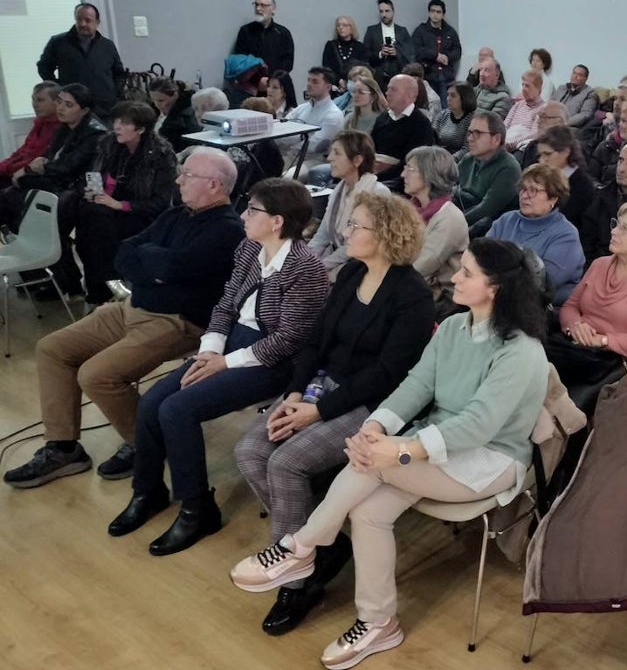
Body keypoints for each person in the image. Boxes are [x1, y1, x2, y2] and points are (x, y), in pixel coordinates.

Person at [228, 239, 548, 669]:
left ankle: (300, 546)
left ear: (496, 288)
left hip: (490, 460)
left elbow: (479, 425)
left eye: (467, 272)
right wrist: (376, 428)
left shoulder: (522, 351)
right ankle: (378, 623)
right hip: (433, 443)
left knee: (374, 467)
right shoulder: (454, 327)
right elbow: (417, 384)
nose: (455, 276)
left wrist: (397, 451)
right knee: (368, 512)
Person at [232, 192, 435, 635]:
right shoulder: (351, 273)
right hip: (320, 388)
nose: (346, 233)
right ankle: (322, 551)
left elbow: (389, 375)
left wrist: (317, 411)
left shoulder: (412, 296)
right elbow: (315, 342)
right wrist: (294, 392)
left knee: (285, 462)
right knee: (249, 450)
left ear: (383, 234)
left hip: (372, 404)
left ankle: (298, 580)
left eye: (356, 226)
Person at [110, 178, 329, 556]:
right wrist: (210, 349)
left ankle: (198, 509)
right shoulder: (249, 248)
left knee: (178, 409)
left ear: (277, 221)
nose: (243, 215)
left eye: (252, 210)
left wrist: (224, 362)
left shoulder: (305, 268)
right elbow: (225, 304)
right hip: (228, 347)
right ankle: (148, 492)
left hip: (273, 360)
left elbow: (289, 339)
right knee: (151, 403)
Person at [4, 148, 244, 489]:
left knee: (97, 375)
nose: (178, 179)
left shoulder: (227, 230)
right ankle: (63, 447)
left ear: (214, 185)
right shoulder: (177, 215)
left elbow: (172, 267)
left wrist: (153, 264)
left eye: (187, 175)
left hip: (179, 322)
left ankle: (145, 443)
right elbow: (125, 253)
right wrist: (155, 267)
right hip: (133, 307)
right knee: (52, 348)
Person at [553, 200, 627, 394]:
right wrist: (575, 327)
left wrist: (603, 340)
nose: (614, 231)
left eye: (624, 228)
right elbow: (570, 307)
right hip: (574, 349)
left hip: (614, 365)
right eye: (616, 224)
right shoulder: (600, 264)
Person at [75, 101, 178, 308]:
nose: (117, 127)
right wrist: (89, 192)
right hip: (106, 211)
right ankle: (105, 288)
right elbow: (88, 178)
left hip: (142, 216)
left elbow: (160, 203)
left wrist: (119, 204)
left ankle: (101, 292)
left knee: (97, 225)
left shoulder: (161, 155)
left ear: (141, 129)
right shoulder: (109, 146)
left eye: (125, 123)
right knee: (87, 217)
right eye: (116, 121)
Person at [0, 84, 107, 272]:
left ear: (84, 110)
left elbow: (66, 168)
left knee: (24, 208)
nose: (60, 108)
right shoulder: (64, 127)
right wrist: (31, 170)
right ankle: (36, 271)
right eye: (59, 102)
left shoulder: (95, 133)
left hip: (77, 191)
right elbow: (46, 159)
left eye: (68, 104)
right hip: (56, 184)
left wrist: (26, 172)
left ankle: (54, 274)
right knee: (9, 199)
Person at [487, 164, 585, 306]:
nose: (525, 195)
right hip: (495, 296)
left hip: (539, 309)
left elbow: (543, 283)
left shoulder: (566, 235)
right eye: (523, 189)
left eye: (533, 190)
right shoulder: (506, 220)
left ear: (553, 199)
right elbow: (482, 258)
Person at [309, 131, 387, 281]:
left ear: (357, 160)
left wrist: (319, 266)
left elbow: (355, 244)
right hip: (335, 256)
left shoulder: (377, 194)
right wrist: (307, 258)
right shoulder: (339, 189)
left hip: (359, 263)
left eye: (337, 153)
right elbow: (323, 234)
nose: (330, 157)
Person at [403, 146, 468, 314]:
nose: (403, 175)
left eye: (410, 169)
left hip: (443, 299)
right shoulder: (411, 208)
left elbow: (421, 266)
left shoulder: (449, 218)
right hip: (413, 286)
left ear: (428, 176)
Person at [37, 3, 124, 118]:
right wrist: (59, 89)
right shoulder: (58, 43)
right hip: (72, 107)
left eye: (88, 20)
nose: (83, 24)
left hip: (104, 107)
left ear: (97, 22)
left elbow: (118, 72)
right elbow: (44, 67)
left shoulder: (107, 45)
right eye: (79, 20)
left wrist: (114, 93)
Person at [454, 110, 521, 235]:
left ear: (496, 139)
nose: (470, 139)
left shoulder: (509, 168)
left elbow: (486, 210)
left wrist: (452, 223)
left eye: (477, 133)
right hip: (460, 216)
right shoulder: (468, 159)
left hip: (485, 230)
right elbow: (449, 187)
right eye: (470, 132)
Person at [370, 74, 436, 185]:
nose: (387, 93)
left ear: (409, 95)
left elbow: (412, 163)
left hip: (399, 180)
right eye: (388, 89)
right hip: (373, 174)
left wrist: (376, 177)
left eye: (393, 90)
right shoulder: (382, 118)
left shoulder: (421, 124)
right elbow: (370, 148)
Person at [281, 68, 344, 177]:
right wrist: (303, 137)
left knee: (288, 178)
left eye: (315, 82)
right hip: (291, 155)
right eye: (308, 80)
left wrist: (294, 138)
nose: (309, 84)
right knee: (262, 167)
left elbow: (315, 146)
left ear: (328, 87)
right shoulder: (301, 108)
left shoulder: (333, 114)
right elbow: (282, 132)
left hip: (315, 160)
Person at [0, 82, 60, 188]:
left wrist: (6, 168)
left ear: (56, 102)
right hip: (15, 170)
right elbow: (22, 152)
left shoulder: (61, 128)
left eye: (40, 100)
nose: (34, 104)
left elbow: (35, 158)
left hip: (29, 176)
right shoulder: (40, 123)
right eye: (33, 99)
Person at [534, 124, 595, 225]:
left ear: (566, 152)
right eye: (540, 155)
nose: (541, 160)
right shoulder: (542, 177)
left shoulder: (582, 186)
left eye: (547, 154)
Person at [412, 0, 461, 103]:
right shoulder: (421, 31)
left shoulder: (450, 32)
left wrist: (448, 57)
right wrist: (435, 55)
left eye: (438, 12)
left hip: (446, 76)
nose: (435, 14)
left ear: (443, 14)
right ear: (429, 13)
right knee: (429, 106)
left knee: (446, 106)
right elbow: (415, 50)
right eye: (432, 11)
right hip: (428, 75)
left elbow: (457, 50)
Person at [234, 0, 294, 76]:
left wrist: (271, 80)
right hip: (250, 84)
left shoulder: (283, 33)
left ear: (273, 9)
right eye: (256, 5)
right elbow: (240, 60)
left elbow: (288, 62)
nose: (258, 9)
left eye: (263, 5)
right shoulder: (245, 31)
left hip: (275, 84)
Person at [362, 0, 414, 85]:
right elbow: (365, 54)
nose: (384, 14)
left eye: (387, 11)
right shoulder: (371, 31)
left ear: (393, 12)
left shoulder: (402, 31)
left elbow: (411, 52)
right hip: (378, 76)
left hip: (399, 74)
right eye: (381, 11)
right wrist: (380, 54)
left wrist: (397, 52)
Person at [147, 78, 200, 152]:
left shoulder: (185, 119)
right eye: (153, 100)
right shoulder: (153, 112)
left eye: (161, 100)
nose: (156, 104)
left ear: (175, 95)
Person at [503, 70, 545, 152]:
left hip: (520, 147)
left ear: (538, 89)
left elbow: (533, 133)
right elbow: (505, 125)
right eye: (523, 85)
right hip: (505, 141)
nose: (523, 89)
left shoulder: (542, 108)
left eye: (527, 86)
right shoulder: (518, 105)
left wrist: (512, 143)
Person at [433, 82, 477, 159]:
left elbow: (466, 149)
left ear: (464, 98)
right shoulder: (443, 114)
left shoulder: (472, 120)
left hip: (455, 162)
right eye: (448, 95)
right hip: (436, 155)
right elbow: (432, 137)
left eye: (453, 96)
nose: (448, 98)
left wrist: (447, 161)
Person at [321, 16, 368, 88]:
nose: (341, 27)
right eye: (338, 25)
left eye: (344, 25)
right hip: (335, 88)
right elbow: (326, 68)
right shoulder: (330, 45)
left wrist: (350, 83)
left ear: (351, 28)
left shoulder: (360, 47)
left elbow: (363, 68)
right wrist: (339, 81)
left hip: (355, 87)